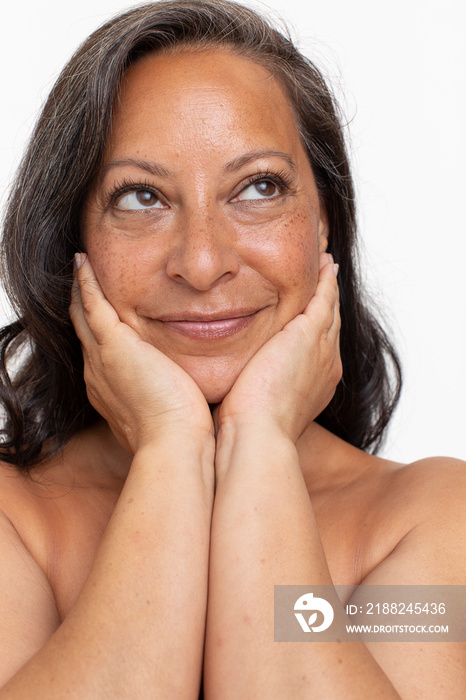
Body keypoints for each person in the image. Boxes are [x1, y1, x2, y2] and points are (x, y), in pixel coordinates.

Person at [0, 0, 464, 697]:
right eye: (140, 198)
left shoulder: (430, 517)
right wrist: (169, 447)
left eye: (259, 187)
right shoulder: (15, 520)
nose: (203, 261)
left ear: (323, 223)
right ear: (72, 243)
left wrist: (261, 441)